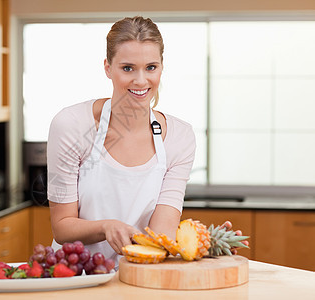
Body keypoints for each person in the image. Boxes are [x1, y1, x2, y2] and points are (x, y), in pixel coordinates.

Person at [46, 16, 243, 266]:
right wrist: (107, 226)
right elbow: (61, 228)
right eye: (128, 68)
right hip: (74, 275)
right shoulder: (72, 125)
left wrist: (200, 243)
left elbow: (161, 231)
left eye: (151, 67)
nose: (141, 81)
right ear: (108, 67)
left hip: (139, 274)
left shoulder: (179, 138)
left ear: (161, 67)